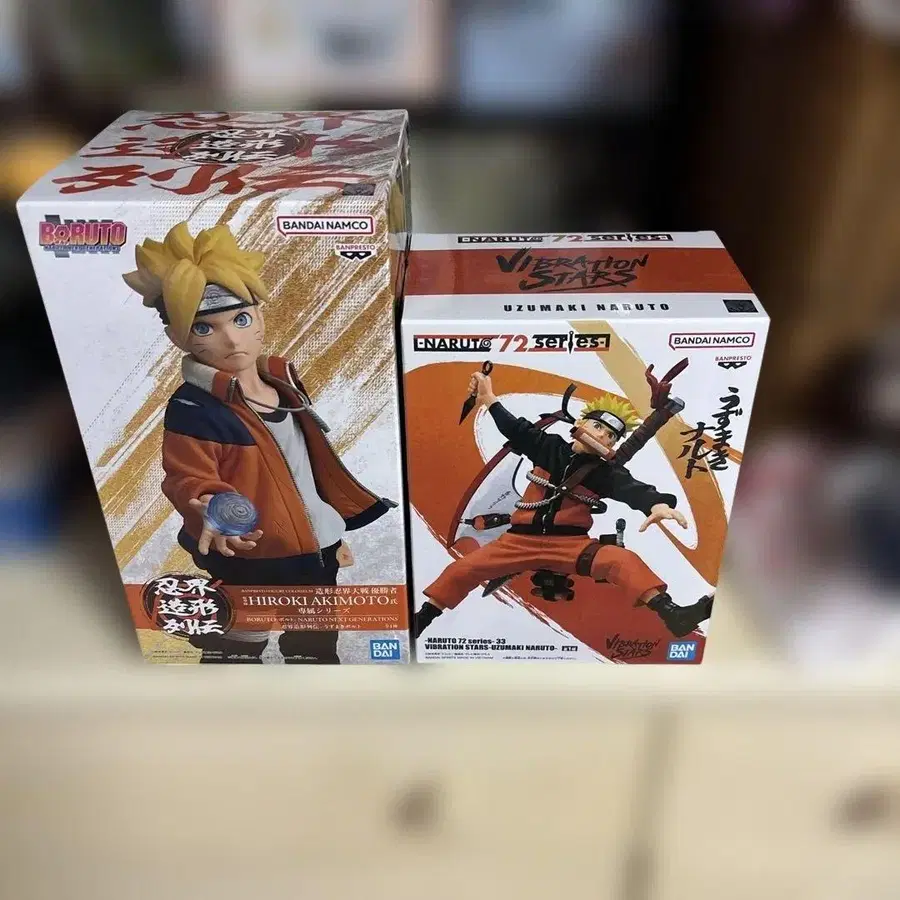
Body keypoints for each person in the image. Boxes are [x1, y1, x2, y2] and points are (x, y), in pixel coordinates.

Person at [123, 222, 395, 663]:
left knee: (315, 647)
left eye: (241, 319)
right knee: (239, 645)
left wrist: (328, 534)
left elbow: (306, 468)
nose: (231, 339)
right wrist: (209, 508)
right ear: (176, 338)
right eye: (203, 328)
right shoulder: (194, 406)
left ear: (261, 317)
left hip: (313, 551)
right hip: (249, 552)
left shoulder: (283, 382)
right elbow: (186, 476)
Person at [415, 370, 713, 639]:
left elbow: (634, 490)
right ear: (580, 424)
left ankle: (673, 614)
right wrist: (489, 399)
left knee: (622, 561)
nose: (602, 435)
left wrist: (657, 505)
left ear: (612, 446)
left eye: (611, 436)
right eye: (597, 426)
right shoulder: (548, 448)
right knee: (462, 569)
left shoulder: (605, 473)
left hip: (571, 546)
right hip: (517, 542)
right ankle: (422, 619)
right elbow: (516, 429)